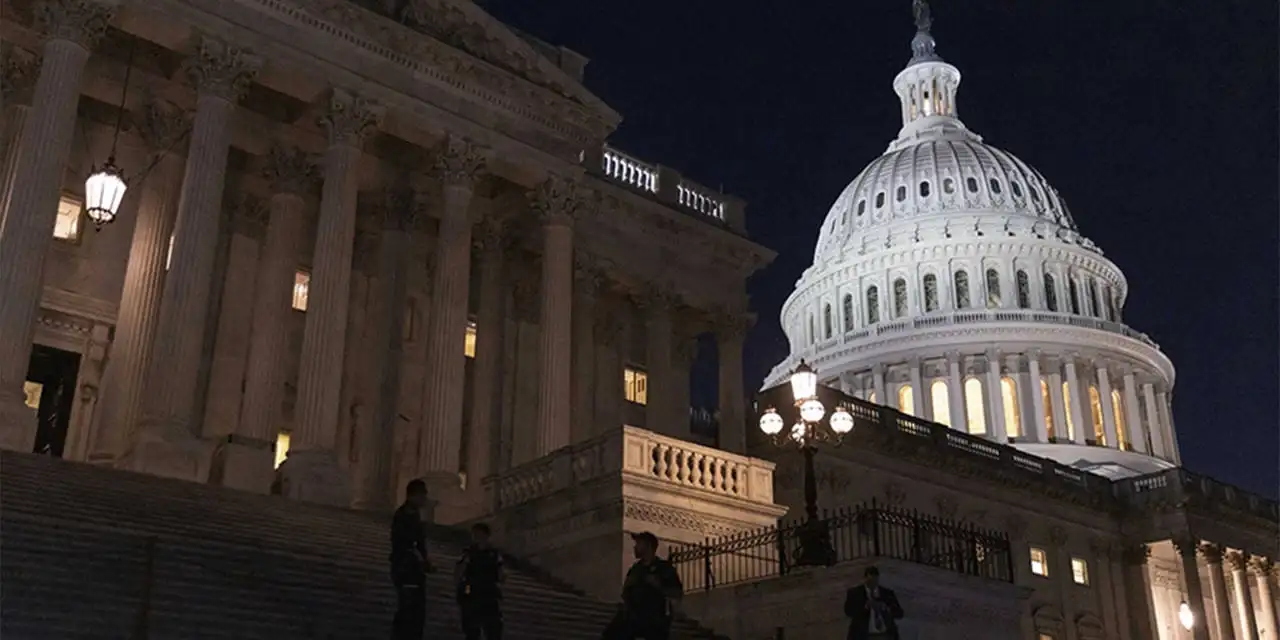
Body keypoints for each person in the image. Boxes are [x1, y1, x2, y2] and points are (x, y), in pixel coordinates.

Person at [603, 531, 684, 640]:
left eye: (639, 544)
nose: (635, 547)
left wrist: (659, 586)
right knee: (612, 633)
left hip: (655, 618)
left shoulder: (664, 568)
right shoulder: (636, 569)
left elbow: (677, 593)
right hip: (634, 616)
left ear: (648, 546)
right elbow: (626, 592)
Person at [391, 479, 434, 640]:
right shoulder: (402, 516)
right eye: (422, 495)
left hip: (414, 568)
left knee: (417, 612)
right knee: (408, 610)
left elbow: (419, 543)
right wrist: (420, 559)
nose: (424, 499)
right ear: (412, 496)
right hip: (405, 568)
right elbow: (406, 543)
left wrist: (425, 560)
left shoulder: (414, 515)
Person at [456, 522, 505, 640]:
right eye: (474, 534)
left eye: (479, 534)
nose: (476, 537)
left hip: (489, 592)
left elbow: (501, 574)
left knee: (493, 629)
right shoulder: (469, 552)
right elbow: (459, 571)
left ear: (486, 535)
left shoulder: (494, 554)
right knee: (471, 629)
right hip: (472, 591)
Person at [844, 566, 904, 640]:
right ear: (864, 579)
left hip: (885, 635)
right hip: (862, 636)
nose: (873, 584)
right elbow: (848, 611)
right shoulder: (855, 593)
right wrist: (865, 606)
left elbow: (900, 613)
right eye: (870, 581)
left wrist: (886, 608)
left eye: (875, 581)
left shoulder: (887, 594)